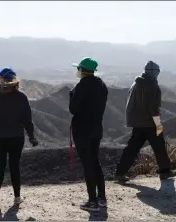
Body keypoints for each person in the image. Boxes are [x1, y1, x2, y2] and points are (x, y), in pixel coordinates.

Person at [115, 61, 176, 183]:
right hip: (149, 123)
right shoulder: (151, 83)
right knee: (159, 146)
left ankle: (120, 173)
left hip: (137, 122)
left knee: (132, 149)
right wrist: (158, 123)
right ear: (155, 73)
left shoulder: (136, 83)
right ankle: (165, 172)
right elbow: (152, 107)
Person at [0, 67, 39, 205]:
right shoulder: (21, 97)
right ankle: (17, 198)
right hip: (16, 137)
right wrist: (31, 136)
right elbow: (28, 119)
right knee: (15, 166)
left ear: (1, 79)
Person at [69, 58, 108, 212]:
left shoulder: (81, 86)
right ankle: (102, 198)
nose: (77, 70)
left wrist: (72, 94)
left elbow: (73, 109)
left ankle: (92, 202)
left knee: (87, 164)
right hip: (97, 128)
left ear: (82, 70)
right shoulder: (102, 85)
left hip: (82, 130)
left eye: (78, 68)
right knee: (95, 162)